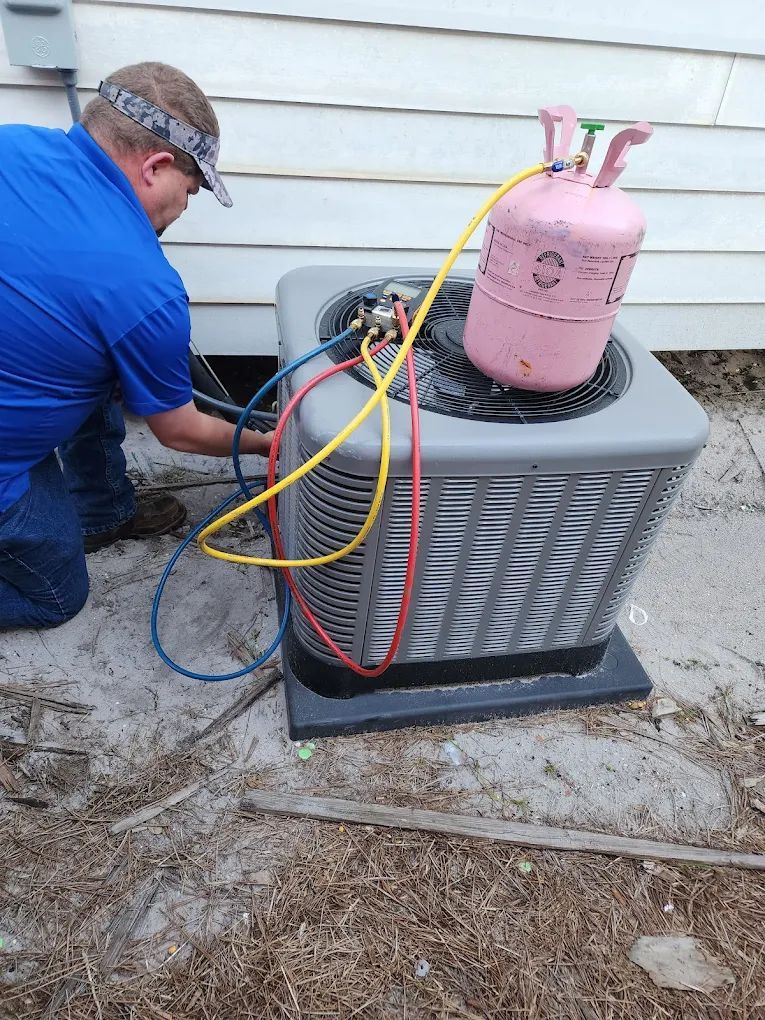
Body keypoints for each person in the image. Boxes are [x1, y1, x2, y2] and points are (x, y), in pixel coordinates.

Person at [0, 61, 271, 629]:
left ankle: (102, 512)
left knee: (94, 357)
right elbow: (180, 430)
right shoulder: (143, 286)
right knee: (56, 593)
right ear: (156, 166)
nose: (186, 207)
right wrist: (271, 445)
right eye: (191, 189)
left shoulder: (14, 142)